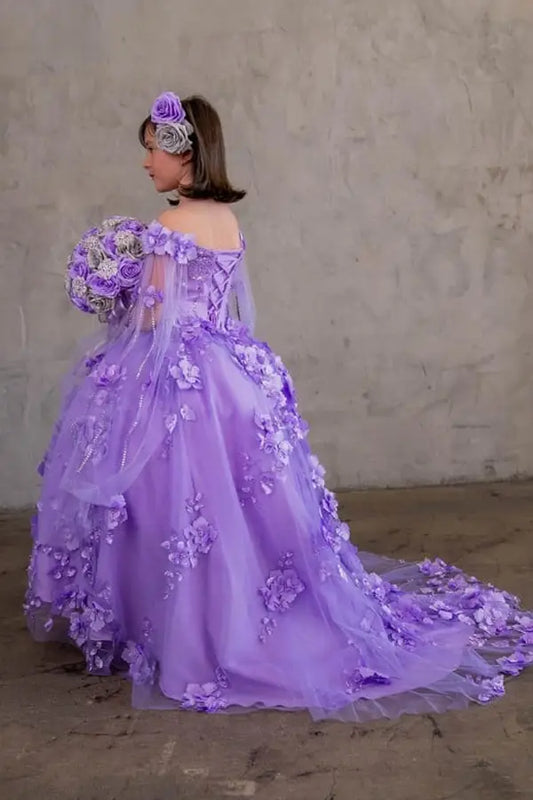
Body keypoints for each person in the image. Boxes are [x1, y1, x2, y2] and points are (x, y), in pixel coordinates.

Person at [25, 91, 533, 720]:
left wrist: (113, 292)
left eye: (151, 149)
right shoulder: (227, 223)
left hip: (179, 381)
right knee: (235, 511)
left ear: (183, 155)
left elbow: (155, 318)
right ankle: (250, 611)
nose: (146, 163)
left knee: (167, 498)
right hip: (232, 378)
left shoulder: (168, 228)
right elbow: (220, 304)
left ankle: (183, 629)